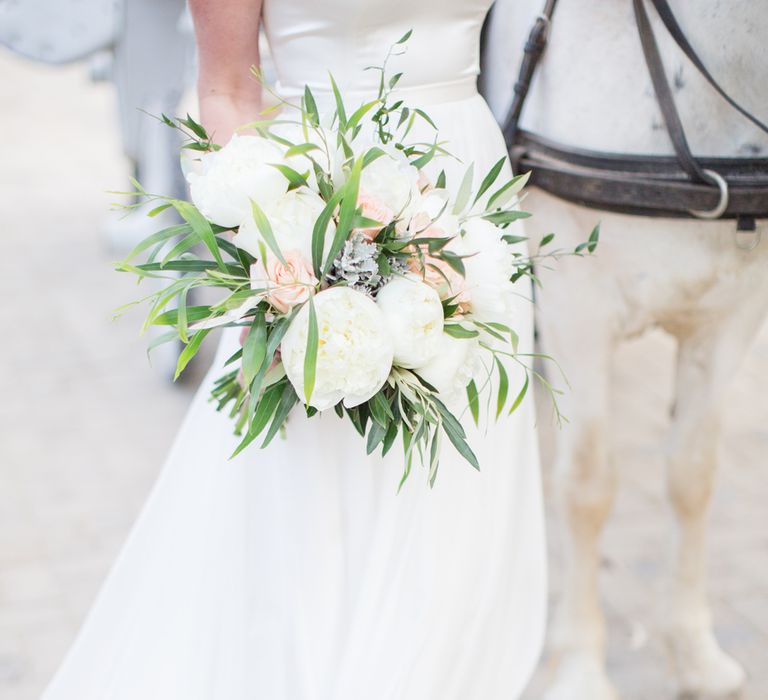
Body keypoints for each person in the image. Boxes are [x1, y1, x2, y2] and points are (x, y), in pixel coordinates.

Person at [42, 1, 547, 698]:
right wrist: (297, 235)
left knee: (460, 488)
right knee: (329, 482)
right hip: (326, 204)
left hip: (468, 197)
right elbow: (227, 90)